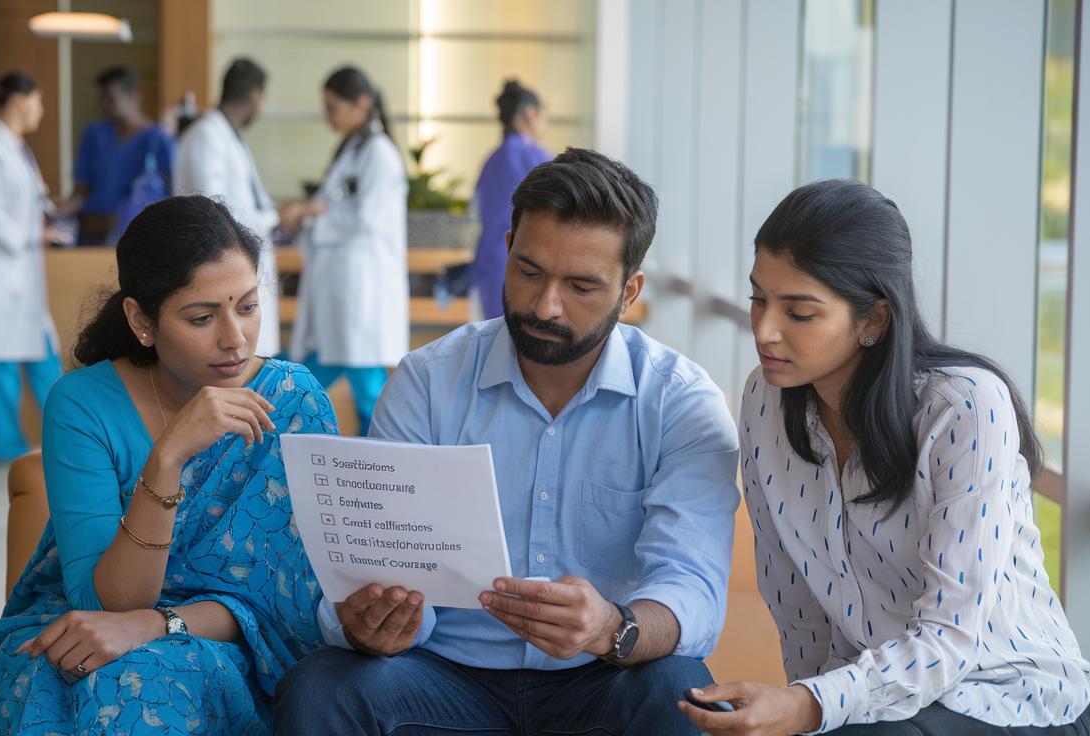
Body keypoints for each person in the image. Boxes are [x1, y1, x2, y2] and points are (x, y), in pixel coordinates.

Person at [274, 148, 741, 736]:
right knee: (322, 687)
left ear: (629, 292)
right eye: (528, 271)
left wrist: (611, 627)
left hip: (601, 675)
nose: (546, 305)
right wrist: (379, 623)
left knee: (679, 691)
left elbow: (691, 586)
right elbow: (380, 563)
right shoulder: (428, 380)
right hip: (442, 676)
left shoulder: (679, 401)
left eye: (580, 286)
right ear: (506, 247)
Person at [681, 179, 1090, 736]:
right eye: (759, 298)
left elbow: (948, 640)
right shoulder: (765, 398)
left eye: (799, 313)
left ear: (874, 320)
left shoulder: (964, 409)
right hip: (877, 699)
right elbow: (796, 603)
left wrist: (810, 706)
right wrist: (807, 715)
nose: (764, 329)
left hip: (1008, 694)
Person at [0, 196, 337, 735]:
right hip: (92, 618)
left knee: (140, 686)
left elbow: (291, 604)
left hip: (238, 644)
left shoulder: (292, 403)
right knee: (60, 679)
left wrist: (157, 626)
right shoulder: (81, 404)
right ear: (141, 320)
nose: (235, 339)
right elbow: (107, 602)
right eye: (202, 317)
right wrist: (167, 458)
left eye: (248, 307)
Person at [285, 66, 408, 436]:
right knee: (312, 371)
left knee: (367, 391)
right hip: (342, 290)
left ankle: (382, 465)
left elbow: (366, 217)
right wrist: (313, 212)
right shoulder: (354, 150)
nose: (327, 116)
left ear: (362, 104)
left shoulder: (379, 154)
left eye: (332, 106)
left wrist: (314, 211)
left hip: (361, 291)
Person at [0, 71, 69, 463]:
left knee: (45, 363)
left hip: (22, 282)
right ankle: (8, 453)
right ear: (22, 102)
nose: (40, 111)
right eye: (39, 102)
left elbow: (33, 204)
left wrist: (48, 224)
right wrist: (34, 235)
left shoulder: (17, 149)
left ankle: (72, 440)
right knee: (0, 370)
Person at [175, 58, 312, 358]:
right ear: (254, 95)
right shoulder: (206, 136)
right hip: (219, 266)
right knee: (233, 361)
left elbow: (245, 203)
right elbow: (214, 211)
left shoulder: (231, 138)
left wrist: (278, 212)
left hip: (240, 267)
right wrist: (277, 216)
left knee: (252, 365)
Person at [62, 65, 175, 244]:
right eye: (101, 99)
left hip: (135, 238)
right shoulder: (95, 134)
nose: (103, 105)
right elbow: (81, 190)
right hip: (90, 235)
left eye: (110, 99)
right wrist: (57, 213)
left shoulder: (157, 140)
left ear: (134, 96)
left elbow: (171, 197)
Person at [469, 79, 552, 321]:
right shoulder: (537, 157)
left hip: (489, 269)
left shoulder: (490, 160)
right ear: (531, 113)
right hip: (528, 268)